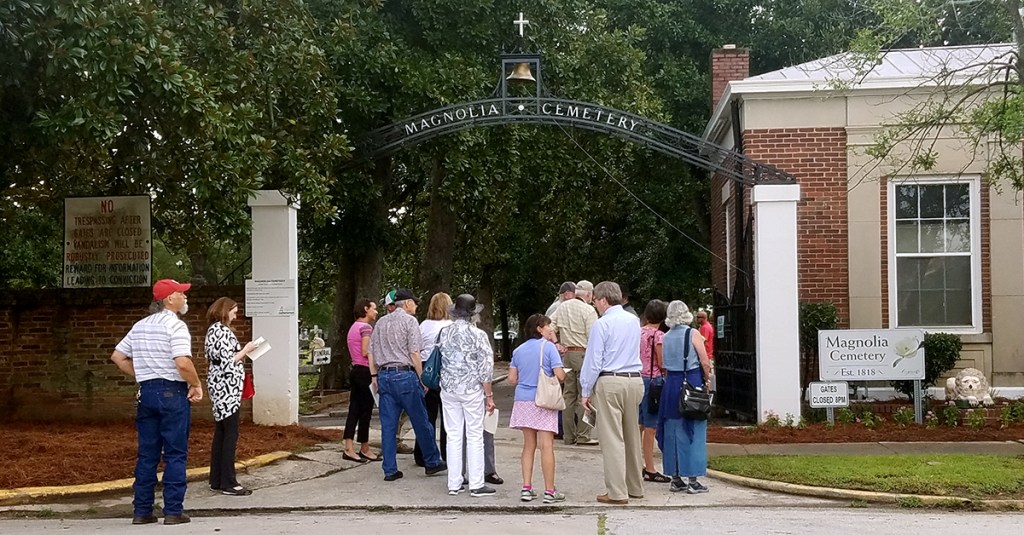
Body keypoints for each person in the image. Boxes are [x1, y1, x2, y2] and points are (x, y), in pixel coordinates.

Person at [109, 279, 202, 525]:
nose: (185, 297)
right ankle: (173, 510)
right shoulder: (176, 326)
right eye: (181, 293)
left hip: (147, 392)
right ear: (170, 299)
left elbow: (117, 356)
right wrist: (196, 383)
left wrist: (142, 374)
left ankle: (142, 511)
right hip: (172, 392)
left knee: (147, 454)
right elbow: (182, 362)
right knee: (175, 453)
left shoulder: (139, 326)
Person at [369, 288, 447, 481]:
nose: (416, 306)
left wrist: (374, 375)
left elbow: (371, 351)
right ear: (407, 303)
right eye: (415, 302)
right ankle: (432, 461)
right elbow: (414, 353)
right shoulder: (410, 321)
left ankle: (390, 469)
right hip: (405, 375)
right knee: (421, 421)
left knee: (388, 425)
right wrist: (422, 378)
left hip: (384, 376)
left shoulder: (381, 322)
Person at [579, 281, 644, 505]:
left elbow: (594, 360)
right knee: (632, 435)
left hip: (610, 380)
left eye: (596, 301)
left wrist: (585, 390)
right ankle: (635, 486)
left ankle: (617, 491)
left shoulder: (602, 324)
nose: (596, 305)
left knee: (612, 438)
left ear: (604, 300)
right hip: (634, 379)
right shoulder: (633, 320)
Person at [437, 294, 496, 497]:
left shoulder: (444, 333)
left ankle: (454, 482)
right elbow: (485, 368)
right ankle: (477, 484)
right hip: (471, 389)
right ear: (472, 314)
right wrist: (489, 395)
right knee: (474, 435)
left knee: (453, 435)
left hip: (448, 388)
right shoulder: (478, 335)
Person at [508, 314, 567, 504]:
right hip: (543, 400)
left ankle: (526, 488)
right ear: (539, 329)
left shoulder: (518, 350)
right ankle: (549, 490)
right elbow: (560, 375)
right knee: (547, 445)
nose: (551, 328)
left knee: (528, 445)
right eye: (548, 325)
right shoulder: (548, 347)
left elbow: (512, 379)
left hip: (523, 401)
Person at [204, 297, 258, 496]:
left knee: (222, 432)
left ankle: (217, 479)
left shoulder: (214, 330)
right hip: (227, 389)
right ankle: (228, 481)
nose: (235, 315)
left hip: (221, 387)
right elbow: (228, 362)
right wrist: (246, 350)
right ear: (225, 311)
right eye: (234, 311)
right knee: (230, 434)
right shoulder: (221, 331)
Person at [658, 300, 712, 494]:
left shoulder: (665, 337)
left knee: (672, 430)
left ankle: (675, 478)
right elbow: (704, 361)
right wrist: (707, 380)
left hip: (671, 385)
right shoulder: (693, 333)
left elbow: (663, 364)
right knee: (693, 428)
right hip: (691, 381)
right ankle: (693, 480)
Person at [550, 279, 599, 446]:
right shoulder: (589, 310)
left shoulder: (562, 307)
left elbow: (549, 326)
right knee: (586, 395)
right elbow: (593, 338)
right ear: (588, 294)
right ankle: (584, 435)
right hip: (584, 354)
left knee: (568, 395)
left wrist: (557, 343)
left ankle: (568, 436)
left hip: (567, 355)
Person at [417, 292, 453, 467]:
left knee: (427, 416)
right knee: (448, 416)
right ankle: (448, 453)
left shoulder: (423, 325)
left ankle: (423, 454)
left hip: (426, 369)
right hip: (445, 369)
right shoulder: (450, 326)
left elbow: (417, 348)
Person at [343, 298, 381, 463]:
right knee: (365, 411)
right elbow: (366, 351)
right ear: (366, 309)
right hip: (365, 371)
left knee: (354, 409)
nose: (376, 312)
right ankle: (364, 447)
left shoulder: (353, 327)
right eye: (374, 308)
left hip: (355, 369)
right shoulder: (366, 328)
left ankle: (349, 446)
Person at [639, 300, 670, 484]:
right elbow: (661, 362)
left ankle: (636, 464)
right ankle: (650, 468)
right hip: (653, 381)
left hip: (637, 378)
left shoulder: (638, 332)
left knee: (638, 425)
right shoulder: (659, 336)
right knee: (651, 427)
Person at [382, 289, 413, 455]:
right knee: (398, 414)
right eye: (394, 305)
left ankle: (393, 445)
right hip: (400, 373)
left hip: (390, 374)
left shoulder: (405, 322)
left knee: (399, 414)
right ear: (389, 307)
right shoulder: (384, 325)